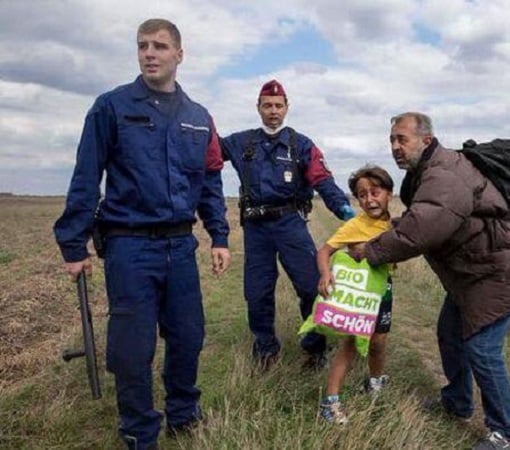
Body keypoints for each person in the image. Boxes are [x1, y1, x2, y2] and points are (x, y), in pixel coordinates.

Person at [54, 19, 231, 450]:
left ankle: (184, 415)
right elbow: (85, 176)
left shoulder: (198, 118)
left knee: (188, 336)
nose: (149, 53)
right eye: (142, 46)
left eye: (160, 46)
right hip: (129, 246)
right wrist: (73, 243)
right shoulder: (110, 107)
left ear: (179, 55)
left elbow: (209, 181)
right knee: (132, 349)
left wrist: (219, 235)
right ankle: (139, 430)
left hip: (180, 246)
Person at [355, 112, 510, 450]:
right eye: (392, 140)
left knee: (483, 350)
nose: (396, 147)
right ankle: (457, 402)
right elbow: (425, 217)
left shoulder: (444, 173)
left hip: (499, 272)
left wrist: (370, 251)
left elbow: (422, 230)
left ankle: (505, 434)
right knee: (449, 334)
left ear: (427, 140)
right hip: (474, 274)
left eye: (402, 139)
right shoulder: (428, 172)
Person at [220, 80, 355, 370]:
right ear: (258, 108)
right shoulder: (241, 142)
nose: (273, 111)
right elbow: (206, 154)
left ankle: (315, 348)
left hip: (290, 225)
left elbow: (323, 181)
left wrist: (347, 213)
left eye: (278, 106)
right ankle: (266, 349)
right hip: (255, 229)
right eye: (267, 105)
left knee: (310, 287)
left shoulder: (301, 145)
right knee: (257, 293)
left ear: (286, 108)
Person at [316, 165, 395, 424]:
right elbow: (324, 251)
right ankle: (330, 402)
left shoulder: (395, 225)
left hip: (382, 293)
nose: (370, 199)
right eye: (362, 195)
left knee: (378, 342)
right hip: (358, 295)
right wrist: (326, 274)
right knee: (349, 343)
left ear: (389, 194)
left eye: (376, 192)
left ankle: (374, 382)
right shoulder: (354, 226)